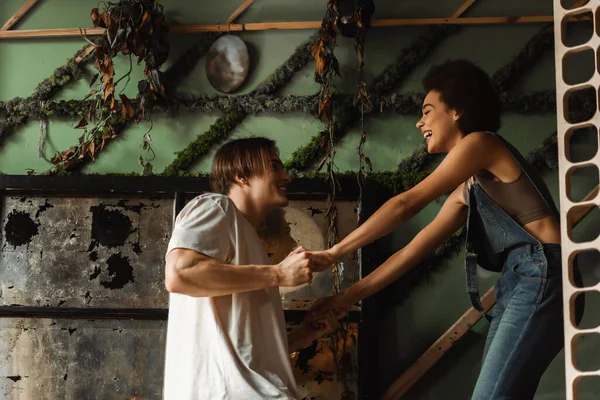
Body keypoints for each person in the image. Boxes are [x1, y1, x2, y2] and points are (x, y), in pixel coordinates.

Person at [308, 59, 565, 399]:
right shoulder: (467, 187)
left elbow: (406, 204)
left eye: (428, 111)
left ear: (456, 110)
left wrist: (332, 254)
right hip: (519, 280)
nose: (420, 122)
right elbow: (412, 251)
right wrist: (344, 298)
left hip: (541, 272)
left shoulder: (481, 144)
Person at [163, 137, 341, 400]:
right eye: (274, 166)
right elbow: (180, 274)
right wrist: (280, 274)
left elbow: (241, 349)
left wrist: (303, 336)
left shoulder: (247, 242)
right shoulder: (216, 207)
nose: (287, 177)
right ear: (240, 175)